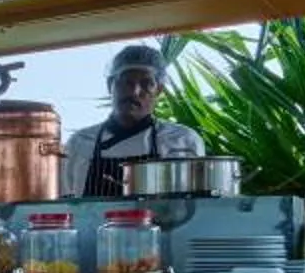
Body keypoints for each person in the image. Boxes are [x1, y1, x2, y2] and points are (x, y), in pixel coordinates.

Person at [64, 43, 205, 199]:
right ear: (110, 85)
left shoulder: (182, 141)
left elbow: (195, 208)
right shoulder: (79, 144)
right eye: (126, 82)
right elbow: (62, 207)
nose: (134, 92)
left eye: (146, 84)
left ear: (159, 90)